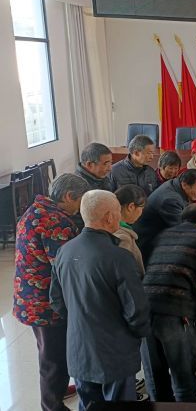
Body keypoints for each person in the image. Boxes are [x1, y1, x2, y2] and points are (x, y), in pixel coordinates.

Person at [49, 190, 151, 411]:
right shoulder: (119, 257)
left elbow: (56, 300)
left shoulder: (64, 251)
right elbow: (136, 310)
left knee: (88, 405)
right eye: (117, 212)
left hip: (79, 349)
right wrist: (139, 334)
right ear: (108, 217)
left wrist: (81, 319)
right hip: (114, 351)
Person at [13, 174, 89, 411]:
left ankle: (57, 389)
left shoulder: (36, 209)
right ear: (69, 196)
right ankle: (52, 405)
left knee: (50, 352)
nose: (80, 208)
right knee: (53, 359)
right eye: (80, 201)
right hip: (46, 304)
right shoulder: (55, 222)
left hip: (29, 296)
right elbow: (66, 266)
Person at [142, 204, 196, 403]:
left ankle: (160, 405)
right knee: (182, 369)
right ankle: (186, 405)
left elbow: (164, 269)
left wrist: (190, 283)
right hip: (175, 310)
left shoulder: (164, 235)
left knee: (155, 372)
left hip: (144, 307)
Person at [134, 169, 196, 259]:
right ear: (184, 185)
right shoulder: (170, 199)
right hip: (148, 244)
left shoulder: (175, 184)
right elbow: (182, 230)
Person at [114, 184, 147, 276]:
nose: (141, 213)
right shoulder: (123, 238)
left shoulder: (107, 226)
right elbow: (124, 275)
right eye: (141, 208)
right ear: (131, 207)